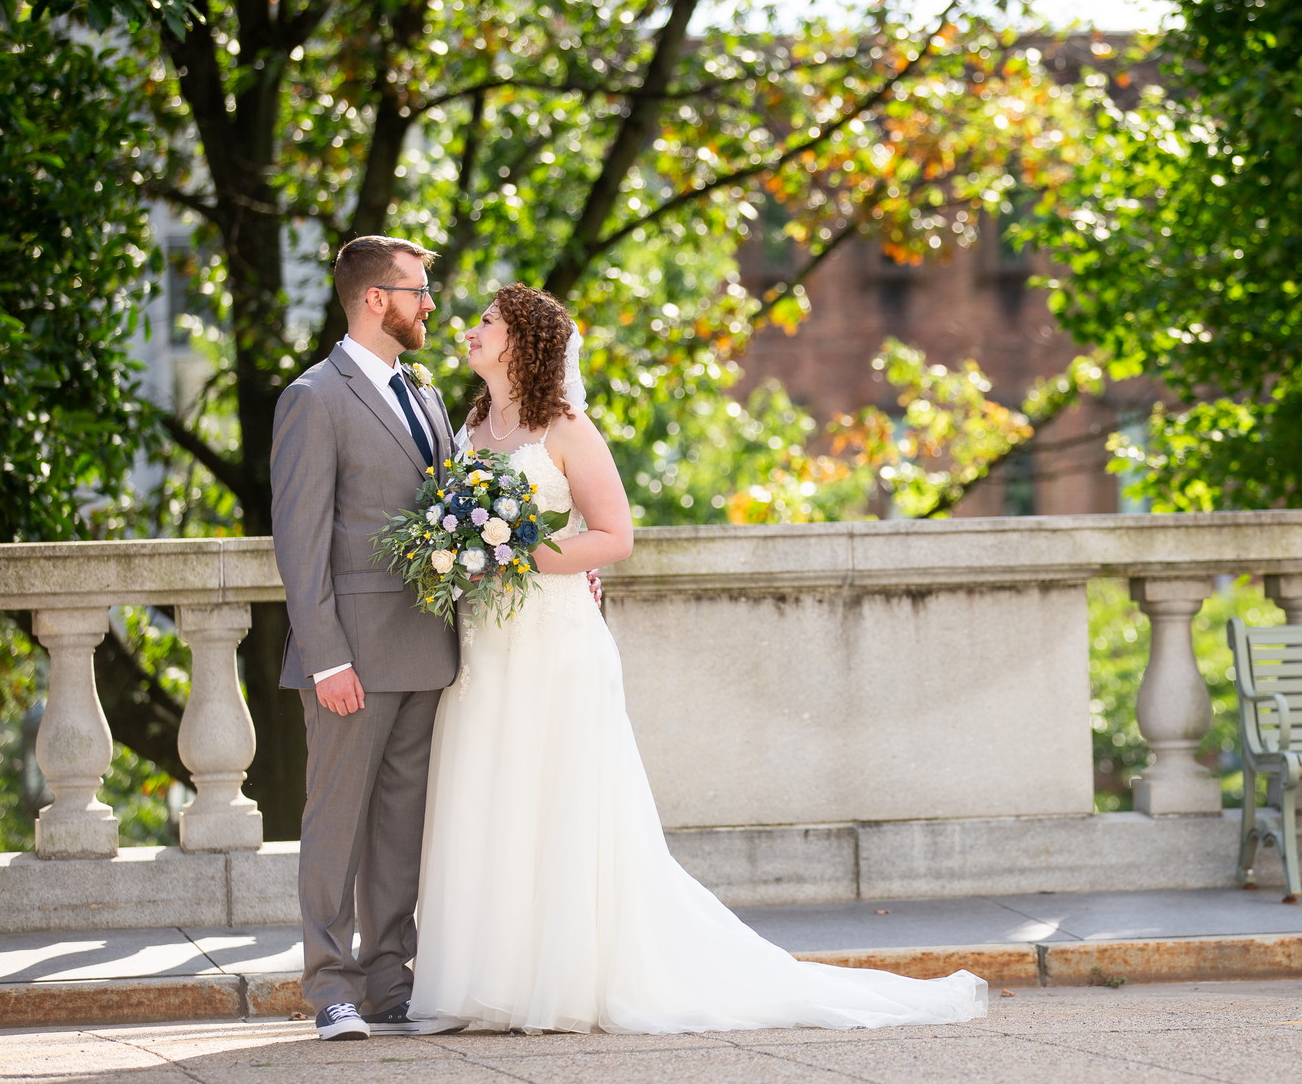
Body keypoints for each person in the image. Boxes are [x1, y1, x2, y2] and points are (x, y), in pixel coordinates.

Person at [409, 283, 986, 1033]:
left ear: (521, 340)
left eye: (486, 322)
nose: (471, 330)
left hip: (554, 645)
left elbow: (615, 537)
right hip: (485, 646)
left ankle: (563, 982)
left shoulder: (566, 429)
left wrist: (517, 554)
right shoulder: (474, 424)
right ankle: (492, 982)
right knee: (491, 796)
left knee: (557, 803)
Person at [270, 236, 458, 1040]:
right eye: (419, 290)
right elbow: (299, 540)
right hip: (351, 653)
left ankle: (389, 979)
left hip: (427, 648)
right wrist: (326, 658)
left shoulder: (425, 391)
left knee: (400, 827)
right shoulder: (314, 397)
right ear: (375, 299)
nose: (430, 305)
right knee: (336, 823)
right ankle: (330, 988)